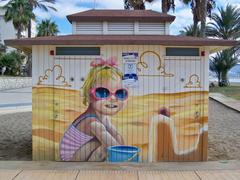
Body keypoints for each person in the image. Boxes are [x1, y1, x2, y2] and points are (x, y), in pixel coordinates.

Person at [60, 57, 127, 161]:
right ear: (89, 95)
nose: (113, 98)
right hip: (71, 160)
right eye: (102, 92)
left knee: (111, 139)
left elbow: (118, 138)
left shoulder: (103, 118)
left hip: (83, 153)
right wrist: (126, 159)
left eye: (120, 93)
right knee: (105, 145)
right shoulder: (91, 122)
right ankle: (91, 170)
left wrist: (120, 143)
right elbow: (114, 148)